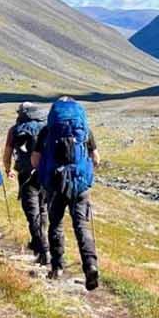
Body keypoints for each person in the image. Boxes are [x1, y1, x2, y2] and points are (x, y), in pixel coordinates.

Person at [32, 97, 100, 291]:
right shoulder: (85, 131)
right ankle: (90, 265)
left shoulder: (47, 131)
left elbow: (36, 161)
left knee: (56, 224)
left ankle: (57, 267)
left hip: (55, 184)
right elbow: (96, 158)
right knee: (81, 225)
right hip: (80, 185)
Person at [3, 102, 50, 265]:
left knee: (31, 212)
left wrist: (8, 169)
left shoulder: (15, 130)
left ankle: (42, 248)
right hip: (45, 174)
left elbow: (7, 153)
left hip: (26, 174)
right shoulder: (46, 127)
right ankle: (40, 242)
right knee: (42, 209)